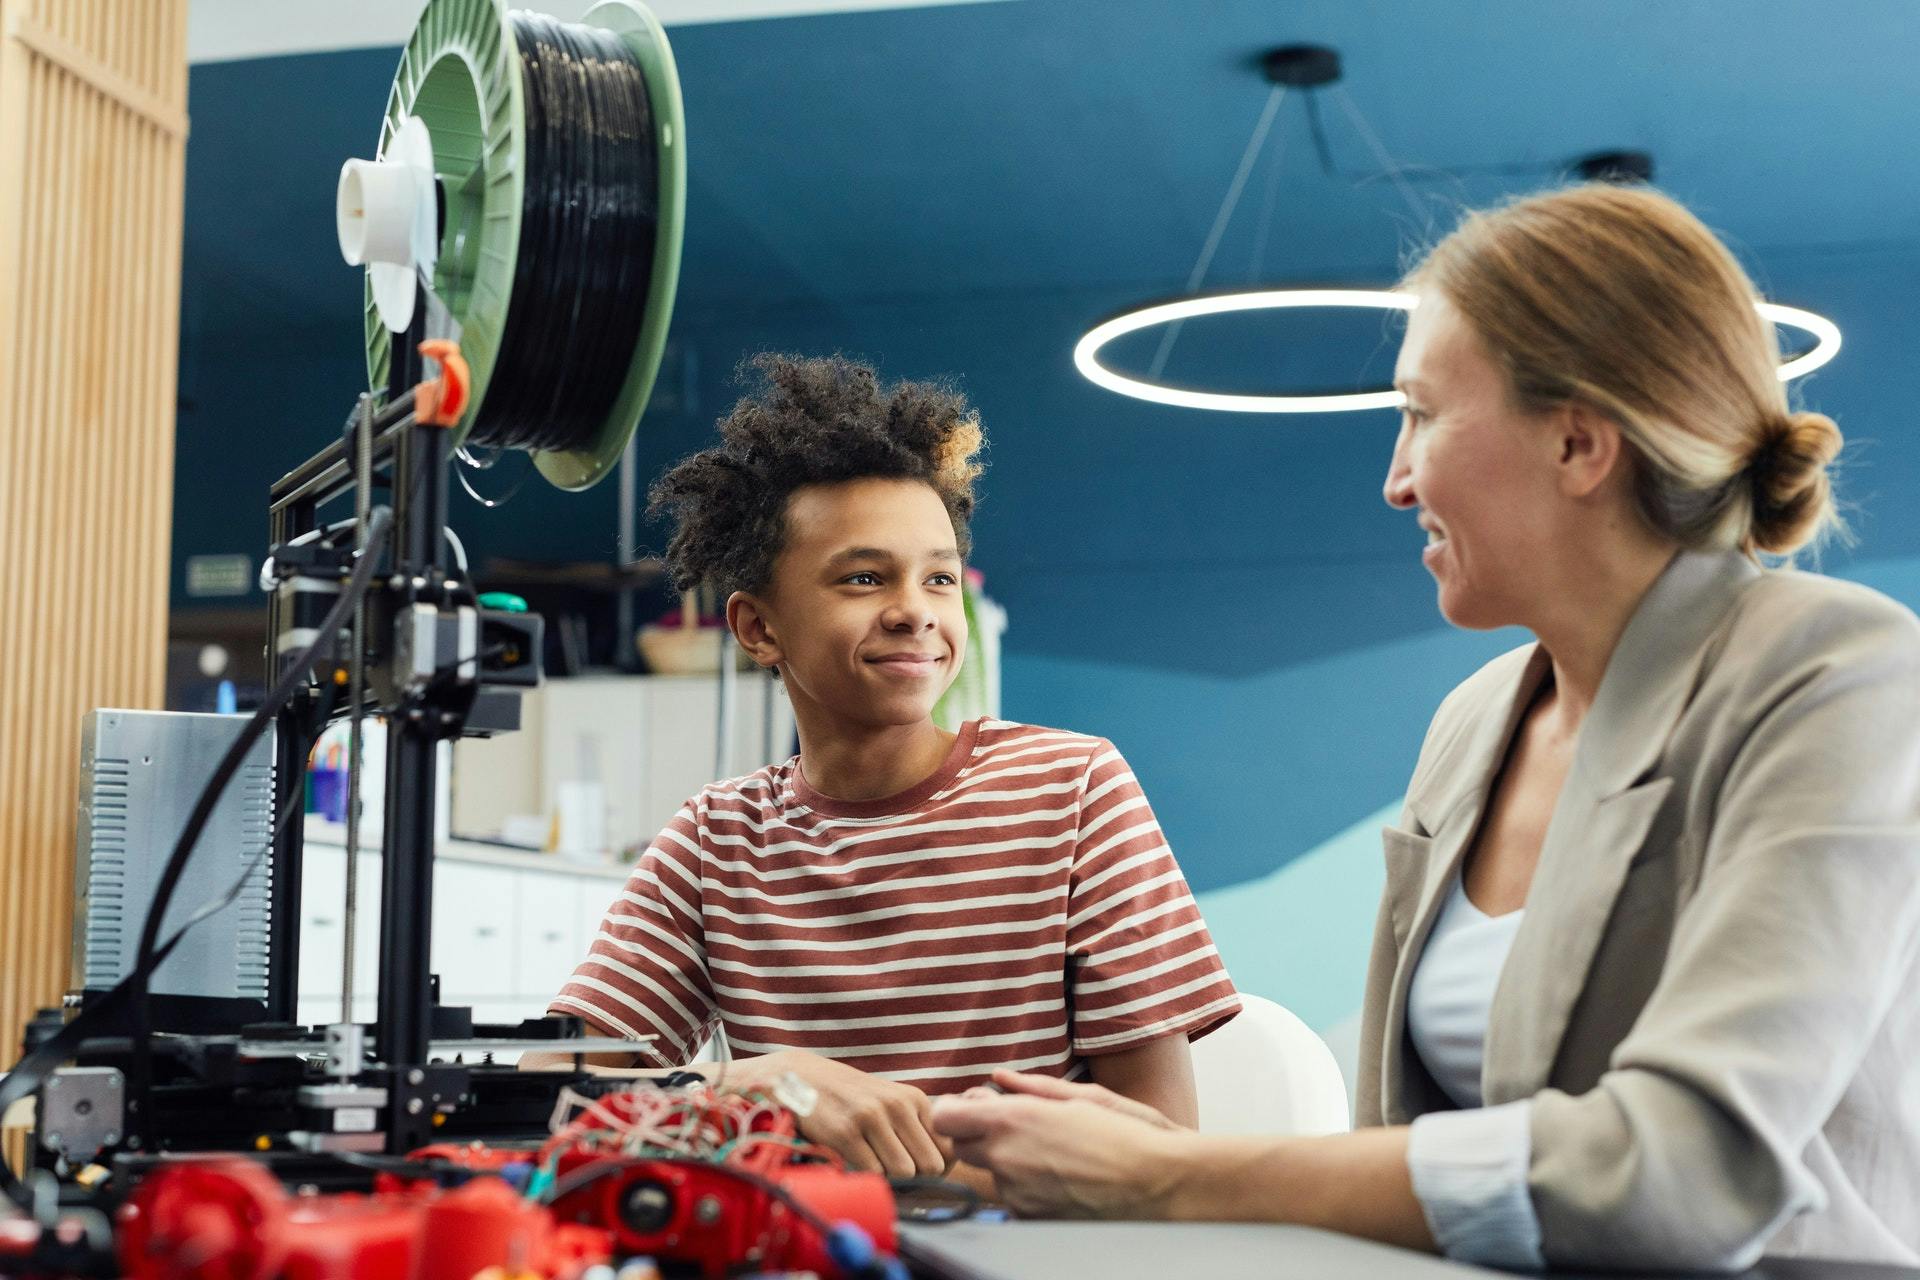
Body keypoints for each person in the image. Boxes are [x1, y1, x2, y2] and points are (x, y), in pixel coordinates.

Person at [932, 184, 1920, 1271]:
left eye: (1420, 412)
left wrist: (1173, 1173)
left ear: (1580, 443)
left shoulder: (1837, 672)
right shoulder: (1474, 720)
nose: (1396, 480)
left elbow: (1686, 1171)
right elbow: (1408, 1153)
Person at [525, 354, 1240, 1183]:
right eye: (864, 578)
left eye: (938, 577)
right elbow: (554, 1100)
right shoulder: (715, 840)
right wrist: (747, 1084)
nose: (914, 610)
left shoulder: (1073, 789)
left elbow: (1159, 1148)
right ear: (758, 628)